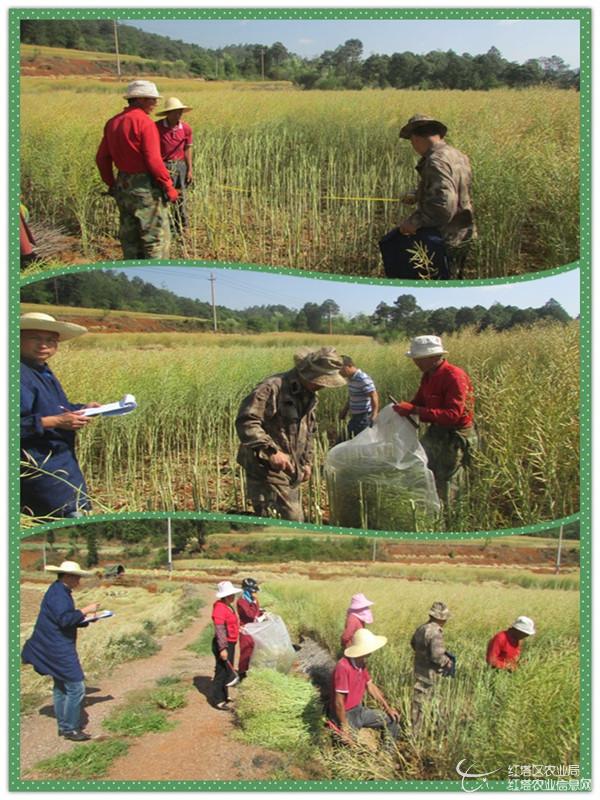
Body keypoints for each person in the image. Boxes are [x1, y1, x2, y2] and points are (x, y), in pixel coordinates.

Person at [236, 346, 346, 522]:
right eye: (320, 380)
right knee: (291, 518)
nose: (322, 386)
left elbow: (309, 431)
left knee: (283, 517)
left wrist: (306, 462)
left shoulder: (310, 395)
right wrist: (271, 451)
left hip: (291, 467)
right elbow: (247, 421)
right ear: (306, 373)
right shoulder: (272, 388)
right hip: (264, 465)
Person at [20, 312, 101, 519]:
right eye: (35, 338)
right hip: (41, 469)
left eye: (50, 340)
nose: (43, 345)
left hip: (59, 464)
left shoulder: (41, 371)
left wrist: (83, 408)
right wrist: (57, 421)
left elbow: (54, 408)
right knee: (69, 514)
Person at [380, 114, 475, 280]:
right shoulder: (458, 155)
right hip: (463, 232)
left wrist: (414, 222)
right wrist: (417, 195)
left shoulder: (435, 160)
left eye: (412, 141)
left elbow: (444, 204)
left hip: (444, 236)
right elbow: (453, 189)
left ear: (416, 139)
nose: (413, 146)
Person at [95, 80, 179, 259]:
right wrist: (169, 186)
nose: (156, 103)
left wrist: (112, 183)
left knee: (130, 238)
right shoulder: (145, 123)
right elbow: (153, 160)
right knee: (155, 239)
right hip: (145, 187)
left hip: (123, 185)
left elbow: (102, 158)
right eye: (152, 99)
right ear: (139, 99)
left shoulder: (113, 123)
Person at [392, 335, 477, 507]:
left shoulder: (454, 376)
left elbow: (452, 415)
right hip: (436, 430)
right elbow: (419, 401)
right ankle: (430, 507)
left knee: (447, 480)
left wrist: (414, 410)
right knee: (423, 466)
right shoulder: (428, 375)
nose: (415, 362)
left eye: (418, 358)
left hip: (455, 435)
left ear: (432, 357)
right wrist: (405, 408)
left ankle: (449, 517)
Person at [21, 560, 100, 741]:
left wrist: (85, 618)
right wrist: (85, 610)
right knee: (76, 686)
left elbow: (64, 620)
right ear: (68, 576)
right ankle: (71, 729)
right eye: (77, 577)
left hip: (53, 645)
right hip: (57, 647)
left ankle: (65, 726)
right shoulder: (59, 594)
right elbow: (64, 620)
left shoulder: (59, 591)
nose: (79, 581)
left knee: (61, 687)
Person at [329, 628, 400, 743]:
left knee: (392, 719)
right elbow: (339, 702)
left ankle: (388, 752)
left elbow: (370, 686)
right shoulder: (343, 667)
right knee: (350, 745)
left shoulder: (361, 663)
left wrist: (387, 708)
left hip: (359, 710)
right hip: (345, 714)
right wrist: (345, 727)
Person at [410, 601, 453, 736]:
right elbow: (437, 656)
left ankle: (416, 729)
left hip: (419, 668)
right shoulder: (436, 632)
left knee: (419, 700)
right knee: (432, 701)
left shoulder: (422, 628)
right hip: (431, 672)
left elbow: (413, 643)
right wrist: (447, 662)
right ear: (441, 618)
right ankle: (430, 730)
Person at [155, 97, 193, 234]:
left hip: (180, 166)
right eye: (175, 112)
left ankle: (181, 226)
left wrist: (189, 169)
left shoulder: (186, 128)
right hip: (163, 165)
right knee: (162, 196)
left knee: (180, 197)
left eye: (180, 112)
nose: (178, 115)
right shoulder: (157, 127)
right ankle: (162, 227)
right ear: (168, 113)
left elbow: (187, 149)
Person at [211, 580, 242, 709]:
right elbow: (220, 630)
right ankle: (218, 700)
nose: (233, 597)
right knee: (222, 671)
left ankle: (224, 695)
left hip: (231, 642)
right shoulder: (219, 609)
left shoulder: (228, 606)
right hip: (223, 643)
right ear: (225, 596)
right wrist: (223, 648)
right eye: (231, 595)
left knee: (227, 669)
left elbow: (232, 623)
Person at [339, 356, 379, 438]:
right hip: (355, 417)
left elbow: (374, 395)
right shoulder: (351, 379)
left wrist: (374, 415)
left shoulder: (362, 378)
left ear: (349, 365)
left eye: (341, 369)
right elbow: (352, 396)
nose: (339, 372)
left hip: (364, 417)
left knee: (357, 442)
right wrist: (345, 410)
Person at [236, 577, 264, 680]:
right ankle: (242, 674)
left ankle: (252, 672)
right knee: (246, 652)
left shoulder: (254, 600)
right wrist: (254, 605)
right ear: (246, 590)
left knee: (255, 652)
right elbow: (250, 614)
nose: (254, 593)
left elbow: (257, 612)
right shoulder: (241, 601)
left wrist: (263, 613)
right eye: (252, 591)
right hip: (245, 630)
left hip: (255, 629)